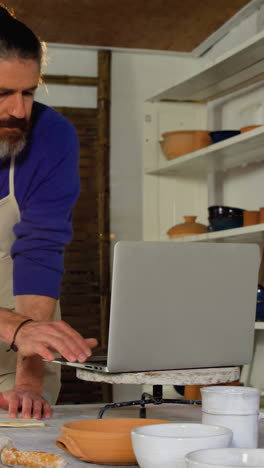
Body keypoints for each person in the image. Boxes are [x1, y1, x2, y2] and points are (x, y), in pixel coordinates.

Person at [0, 5, 98, 419]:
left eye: (28, 92)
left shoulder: (51, 135)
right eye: (2, 94)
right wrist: (15, 328)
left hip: (21, 336)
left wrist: (29, 376)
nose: (19, 111)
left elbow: (40, 249)